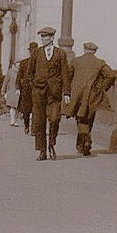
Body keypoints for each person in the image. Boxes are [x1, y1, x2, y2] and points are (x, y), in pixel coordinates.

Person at [30, 27, 71, 161]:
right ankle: (42, 150)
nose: (43, 39)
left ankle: (51, 144)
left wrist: (66, 93)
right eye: (42, 37)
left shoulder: (61, 54)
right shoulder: (36, 53)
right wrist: (33, 87)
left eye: (46, 37)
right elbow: (30, 72)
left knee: (54, 119)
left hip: (54, 93)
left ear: (52, 38)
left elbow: (65, 74)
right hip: (39, 91)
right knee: (39, 122)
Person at [68, 41, 114, 156]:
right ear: (94, 51)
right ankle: (82, 145)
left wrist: (69, 90)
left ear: (84, 50)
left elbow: (68, 76)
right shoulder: (99, 63)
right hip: (92, 95)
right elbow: (110, 75)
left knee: (80, 118)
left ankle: (85, 140)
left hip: (77, 95)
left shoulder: (75, 61)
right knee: (89, 117)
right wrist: (101, 88)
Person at [16, 41, 37, 133]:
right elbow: (19, 76)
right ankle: (26, 125)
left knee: (36, 109)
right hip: (26, 89)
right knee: (26, 109)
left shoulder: (40, 63)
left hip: (36, 88)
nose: (33, 52)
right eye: (32, 51)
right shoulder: (24, 63)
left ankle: (33, 128)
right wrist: (17, 88)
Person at [3, 59, 21, 126]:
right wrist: (4, 91)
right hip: (11, 91)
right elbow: (5, 82)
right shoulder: (10, 71)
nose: (19, 64)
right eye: (18, 62)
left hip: (18, 91)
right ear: (15, 64)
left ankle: (15, 120)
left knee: (17, 107)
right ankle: (12, 120)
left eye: (19, 63)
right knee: (12, 106)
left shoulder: (22, 72)